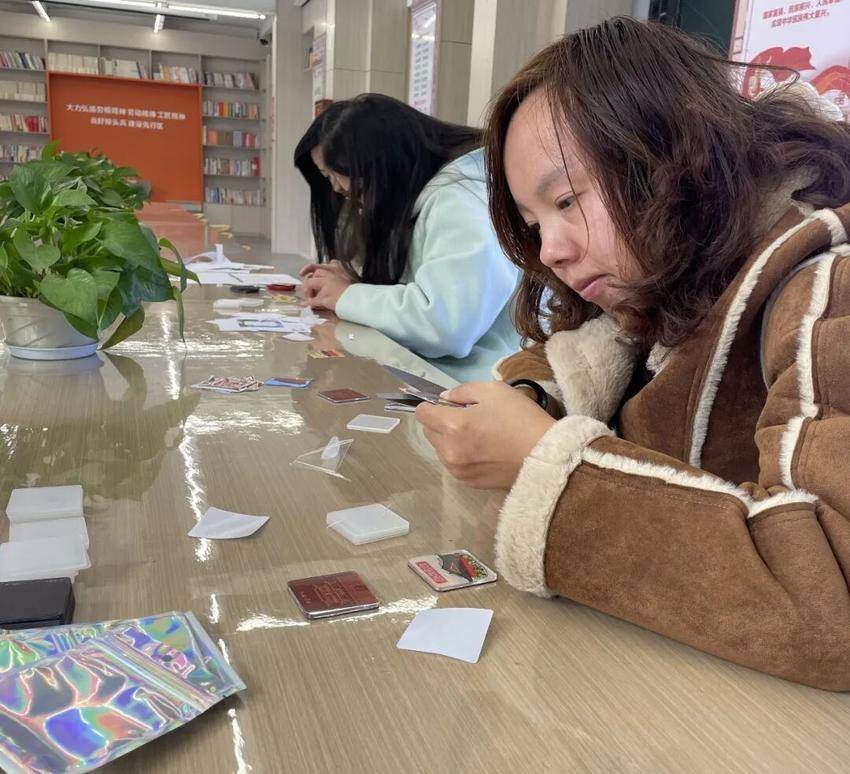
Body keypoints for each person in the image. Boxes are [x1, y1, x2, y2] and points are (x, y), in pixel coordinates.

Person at [416, 17, 850, 689]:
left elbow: (831, 595)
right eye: (534, 225)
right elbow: (563, 352)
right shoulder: (658, 279)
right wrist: (532, 402)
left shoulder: (825, 289)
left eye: (567, 201)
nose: (550, 251)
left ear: (670, 157)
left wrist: (550, 466)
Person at [293, 94, 520, 382]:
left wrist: (346, 295)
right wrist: (356, 278)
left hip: (476, 384)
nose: (337, 188)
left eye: (336, 174)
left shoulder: (459, 200)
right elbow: (427, 283)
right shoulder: (429, 196)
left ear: (380, 164)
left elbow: (444, 326)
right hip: (448, 377)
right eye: (327, 176)